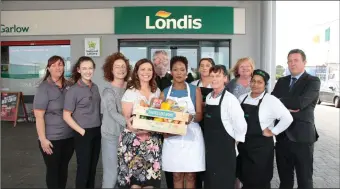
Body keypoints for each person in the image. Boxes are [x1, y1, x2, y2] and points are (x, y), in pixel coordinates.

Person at [272, 49, 320, 189]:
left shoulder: (313, 81)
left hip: (303, 139)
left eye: (296, 60)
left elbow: (301, 103)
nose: (292, 64)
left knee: (304, 181)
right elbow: (272, 103)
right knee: (285, 181)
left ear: (304, 62)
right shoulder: (282, 81)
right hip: (282, 138)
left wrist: (281, 103)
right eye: (289, 61)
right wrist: (286, 104)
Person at [237, 69, 293, 189]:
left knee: (260, 181)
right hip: (244, 147)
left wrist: (273, 132)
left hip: (261, 150)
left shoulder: (271, 100)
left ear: (265, 85)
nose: (255, 84)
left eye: (259, 82)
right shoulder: (242, 98)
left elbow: (287, 118)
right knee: (245, 178)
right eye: (253, 81)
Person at [117, 58, 163, 189]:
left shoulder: (157, 91)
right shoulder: (131, 91)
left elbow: (158, 116)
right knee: (135, 184)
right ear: (136, 72)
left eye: (149, 69)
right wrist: (134, 128)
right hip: (133, 141)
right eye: (142, 69)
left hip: (152, 142)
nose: (146, 72)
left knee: (150, 183)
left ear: (153, 73)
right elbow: (126, 118)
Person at [161, 56, 205, 189]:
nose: (179, 73)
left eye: (182, 69)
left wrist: (188, 118)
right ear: (171, 72)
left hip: (192, 137)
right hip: (173, 138)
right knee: (176, 175)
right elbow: (161, 117)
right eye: (175, 69)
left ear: (187, 72)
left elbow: (199, 115)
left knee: (191, 175)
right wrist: (164, 131)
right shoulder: (164, 93)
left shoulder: (195, 90)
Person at [33, 55, 74, 189]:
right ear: (48, 69)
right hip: (51, 139)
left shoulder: (69, 85)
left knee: (63, 169)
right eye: (54, 65)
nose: (58, 67)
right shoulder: (44, 88)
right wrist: (42, 139)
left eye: (60, 64)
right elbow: (39, 116)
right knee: (53, 170)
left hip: (69, 137)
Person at [204, 65, 247, 189]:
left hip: (225, 150)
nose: (214, 79)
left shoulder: (230, 100)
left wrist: (234, 144)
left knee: (223, 183)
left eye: (218, 76)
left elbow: (241, 125)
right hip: (210, 149)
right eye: (212, 76)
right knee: (210, 182)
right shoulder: (208, 97)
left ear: (225, 78)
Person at [63, 56, 102, 188]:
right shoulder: (73, 90)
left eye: (90, 68)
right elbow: (66, 115)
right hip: (83, 133)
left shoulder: (95, 87)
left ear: (94, 69)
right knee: (83, 169)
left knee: (92, 169)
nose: (88, 71)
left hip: (97, 131)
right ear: (79, 70)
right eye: (84, 68)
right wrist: (81, 131)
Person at [101, 52, 130, 188]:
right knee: (111, 174)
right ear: (111, 70)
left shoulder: (130, 88)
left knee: (124, 174)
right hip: (111, 136)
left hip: (128, 137)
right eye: (117, 67)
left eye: (123, 66)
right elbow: (112, 112)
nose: (121, 69)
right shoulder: (108, 90)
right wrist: (130, 124)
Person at [190, 58, 215, 188]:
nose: (205, 68)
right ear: (199, 68)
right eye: (202, 66)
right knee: (197, 156)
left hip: (213, 125)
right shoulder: (193, 85)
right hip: (196, 124)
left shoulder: (217, 84)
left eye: (208, 65)